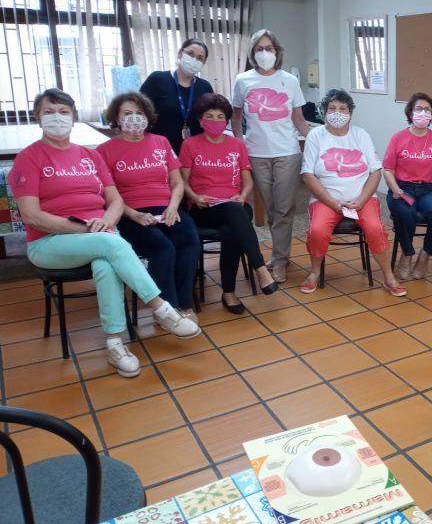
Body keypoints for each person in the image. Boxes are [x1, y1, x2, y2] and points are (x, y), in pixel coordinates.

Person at [9, 89, 200, 379]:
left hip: (98, 236)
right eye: (49, 112)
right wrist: (89, 229)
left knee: (107, 263)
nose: (57, 118)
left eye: (63, 112)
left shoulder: (89, 155)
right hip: (49, 242)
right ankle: (163, 309)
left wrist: (107, 222)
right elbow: (31, 216)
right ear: (38, 117)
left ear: (73, 117)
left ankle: (115, 344)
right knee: (111, 244)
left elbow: (115, 201)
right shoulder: (29, 158)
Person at [96, 91, 201, 323]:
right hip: (130, 213)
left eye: (139, 113)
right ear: (116, 117)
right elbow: (108, 194)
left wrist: (173, 207)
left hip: (167, 207)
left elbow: (177, 183)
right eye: (127, 113)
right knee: (162, 247)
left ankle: (185, 303)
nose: (134, 118)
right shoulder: (104, 151)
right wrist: (134, 215)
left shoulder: (161, 142)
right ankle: (167, 308)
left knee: (188, 240)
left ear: (148, 116)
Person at [300, 89, 406, 297]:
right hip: (326, 199)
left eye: (343, 109)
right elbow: (308, 175)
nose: (337, 113)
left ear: (350, 112)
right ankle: (314, 272)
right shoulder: (315, 136)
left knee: (375, 228)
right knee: (318, 230)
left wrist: (361, 200)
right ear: (324, 112)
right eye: (332, 108)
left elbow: (375, 171)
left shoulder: (361, 135)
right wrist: (332, 203)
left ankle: (388, 277)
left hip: (362, 199)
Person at [179, 93, 279, 314]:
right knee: (235, 218)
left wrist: (242, 196)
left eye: (220, 116)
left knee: (231, 228)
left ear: (226, 120)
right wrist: (194, 197)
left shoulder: (236, 145)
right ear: (200, 120)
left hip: (235, 205)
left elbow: (247, 181)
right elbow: (181, 182)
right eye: (209, 116)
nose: (215, 121)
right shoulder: (190, 144)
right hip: (203, 208)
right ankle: (260, 269)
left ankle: (229, 293)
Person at [231, 29, 310, 283]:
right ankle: (279, 255)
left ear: (277, 51)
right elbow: (236, 118)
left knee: (284, 209)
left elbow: (299, 119)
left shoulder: (290, 80)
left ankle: (280, 259)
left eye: (269, 48)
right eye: (259, 49)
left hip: (287, 152)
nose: (264, 53)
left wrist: (320, 142)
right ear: (252, 53)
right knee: (272, 209)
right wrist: (240, 146)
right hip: (256, 153)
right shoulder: (243, 80)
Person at [383, 92, 432, 280]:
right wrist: (394, 188)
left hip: (429, 189)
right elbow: (387, 169)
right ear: (410, 112)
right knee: (404, 212)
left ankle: (425, 255)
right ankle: (407, 254)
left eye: (427, 109)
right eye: (418, 109)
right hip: (402, 187)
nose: (423, 113)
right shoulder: (398, 138)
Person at [140, 38, 213, 154]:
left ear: (204, 63)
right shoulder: (158, 79)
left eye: (200, 58)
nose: (194, 60)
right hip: (159, 151)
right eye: (190, 54)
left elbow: (210, 119)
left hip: (194, 152)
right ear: (180, 53)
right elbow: (140, 112)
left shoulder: (205, 87)